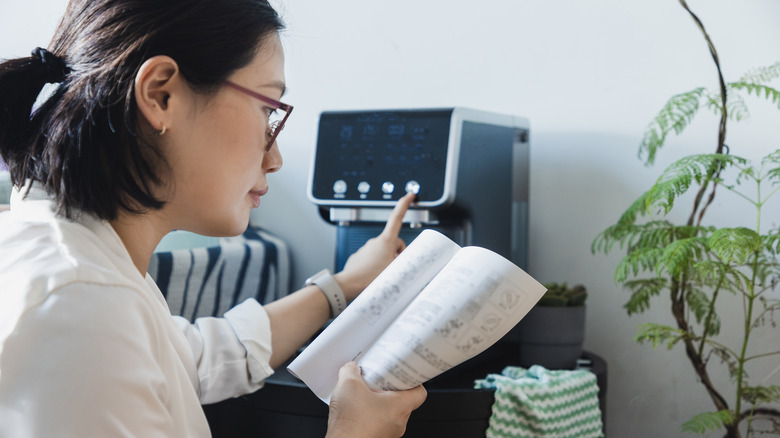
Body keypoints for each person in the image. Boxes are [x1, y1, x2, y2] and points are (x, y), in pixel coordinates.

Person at [0, 0, 427, 437]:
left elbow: (196, 356)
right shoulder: (79, 305)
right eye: (268, 110)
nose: (275, 157)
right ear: (160, 95)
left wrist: (344, 285)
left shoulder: (88, 262)